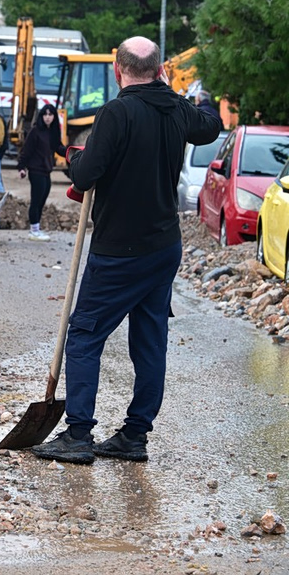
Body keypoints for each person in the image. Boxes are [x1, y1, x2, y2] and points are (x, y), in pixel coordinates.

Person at [31, 36, 222, 465]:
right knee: (150, 341)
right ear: (159, 70)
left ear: (118, 71)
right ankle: (134, 436)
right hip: (163, 246)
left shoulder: (116, 112)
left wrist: (76, 158)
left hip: (120, 250)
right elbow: (209, 123)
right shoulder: (175, 108)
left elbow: (86, 173)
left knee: (83, 333)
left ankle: (79, 433)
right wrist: (177, 91)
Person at [16, 103, 66, 241]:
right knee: (36, 199)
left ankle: (36, 228)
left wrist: (70, 152)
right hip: (35, 169)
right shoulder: (35, 131)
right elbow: (26, 151)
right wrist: (21, 167)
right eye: (45, 114)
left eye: (50, 115)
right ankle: (34, 230)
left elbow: (58, 147)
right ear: (41, 116)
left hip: (46, 170)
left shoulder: (53, 132)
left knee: (43, 198)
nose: (48, 117)